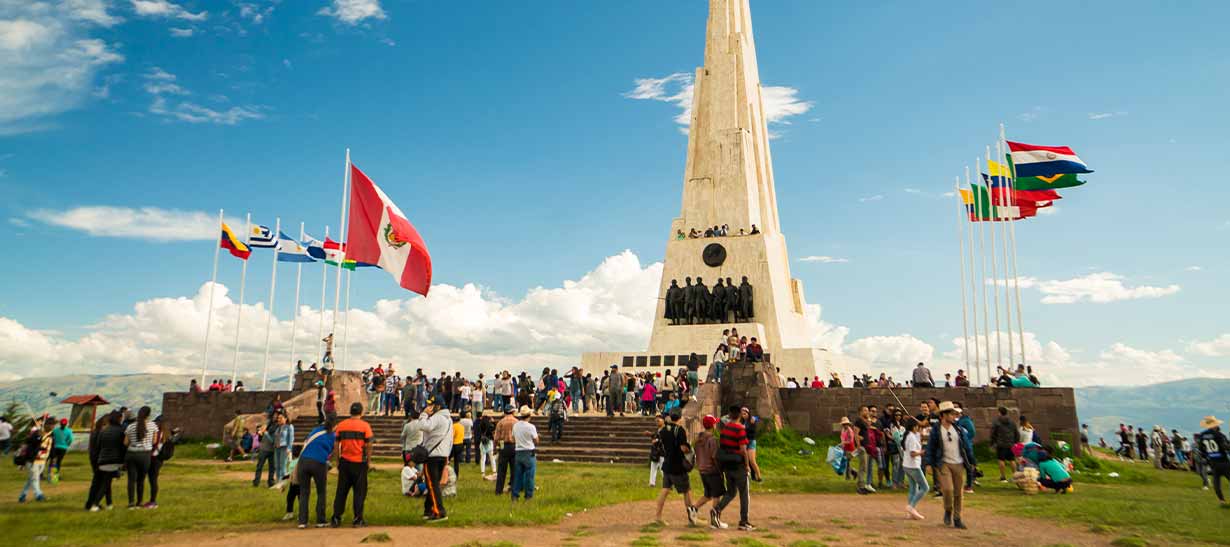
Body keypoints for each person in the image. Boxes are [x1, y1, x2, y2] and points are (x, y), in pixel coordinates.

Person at [924, 401, 975, 530]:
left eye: (954, 414)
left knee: (959, 493)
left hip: (958, 463)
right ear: (943, 415)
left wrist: (972, 461)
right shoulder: (936, 430)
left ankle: (957, 518)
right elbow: (931, 447)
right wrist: (929, 463)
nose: (954, 416)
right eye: (951, 414)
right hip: (944, 463)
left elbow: (967, 446)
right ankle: (948, 510)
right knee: (947, 489)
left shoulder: (958, 429)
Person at [710, 405, 753, 530]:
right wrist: (747, 465)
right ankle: (744, 521)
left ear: (729, 414)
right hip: (738, 464)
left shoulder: (725, 429)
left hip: (727, 465)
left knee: (731, 492)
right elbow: (743, 450)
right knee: (744, 494)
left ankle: (717, 509)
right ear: (739, 415)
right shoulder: (740, 429)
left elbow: (722, 447)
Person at [330, 402, 373, 528]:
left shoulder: (342, 425)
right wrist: (369, 461)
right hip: (359, 462)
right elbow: (369, 445)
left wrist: (337, 461)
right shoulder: (365, 426)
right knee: (359, 492)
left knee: (341, 491)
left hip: (344, 461)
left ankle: (336, 517)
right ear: (361, 412)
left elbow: (336, 445)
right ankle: (357, 518)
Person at [653, 409, 694, 525]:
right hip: (678, 465)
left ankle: (658, 517)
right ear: (680, 417)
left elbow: (658, 443)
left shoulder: (664, 429)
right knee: (687, 491)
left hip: (667, 464)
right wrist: (689, 448)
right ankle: (692, 518)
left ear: (670, 417)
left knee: (665, 490)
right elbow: (683, 448)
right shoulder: (679, 430)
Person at [297, 419, 335, 528]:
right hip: (319, 463)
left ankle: (302, 521)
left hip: (303, 461)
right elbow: (333, 451)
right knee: (321, 492)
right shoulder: (332, 435)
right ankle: (320, 520)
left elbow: (307, 441)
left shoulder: (314, 430)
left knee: (304, 492)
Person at [688, 415, 725, 528]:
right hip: (712, 470)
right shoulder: (713, 440)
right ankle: (715, 520)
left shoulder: (698, 439)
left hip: (702, 470)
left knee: (708, 494)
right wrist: (720, 471)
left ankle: (693, 508)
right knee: (716, 495)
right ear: (713, 425)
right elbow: (714, 457)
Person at [420, 397, 453, 522]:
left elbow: (424, 426)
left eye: (431, 405)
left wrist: (423, 414)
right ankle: (428, 509)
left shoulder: (437, 417)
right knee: (433, 484)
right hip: (443, 454)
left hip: (433, 455)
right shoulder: (448, 419)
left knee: (432, 485)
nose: (429, 407)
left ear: (437, 406)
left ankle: (439, 511)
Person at [86, 411, 124, 511]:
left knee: (103, 482)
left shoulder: (97, 432)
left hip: (98, 459)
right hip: (102, 460)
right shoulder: (103, 432)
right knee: (104, 483)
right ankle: (94, 504)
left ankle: (107, 503)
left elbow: (95, 448)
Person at [123, 406, 157, 509]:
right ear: (149, 415)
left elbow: (125, 442)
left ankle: (131, 503)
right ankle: (139, 502)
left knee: (131, 480)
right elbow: (154, 441)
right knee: (141, 480)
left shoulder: (130, 426)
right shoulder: (153, 426)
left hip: (132, 454)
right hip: (145, 455)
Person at [1196, 415, 1230, 505]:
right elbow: (1225, 447)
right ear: (1215, 424)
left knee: (1216, 482)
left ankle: (1221, 500)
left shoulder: (1202, 435)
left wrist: (1207, 457)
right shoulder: (1219, 435)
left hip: (1212, 462)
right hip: (1223, 461)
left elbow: (1201, 449)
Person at [18, 417, 53, 503]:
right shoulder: (36, 434)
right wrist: (38, 436)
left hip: (43, 460)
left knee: (31, 479)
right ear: (46, 425)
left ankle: (22, 496)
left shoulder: (51, 435)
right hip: (33, 461)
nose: (53, 426)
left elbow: (51, 447)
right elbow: (28, 442)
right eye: (51, 424)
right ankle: (39, 495)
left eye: (53, 425)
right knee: (35, 479)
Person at [901, 417, 928, 520]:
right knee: (925, 487)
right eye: (917, 426)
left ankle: (910, 512)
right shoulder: (911, 437)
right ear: (913, 427)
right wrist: (922, 452)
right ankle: (911, 507)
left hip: (907, 465)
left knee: (913, 488)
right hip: (913, 466)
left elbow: (918, 439)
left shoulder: (909, 435)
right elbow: (913, 453)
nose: (918, 428)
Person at [511, 405, 539, 501]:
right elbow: (536, 440)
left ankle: (515, 495)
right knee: (529, 476)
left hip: (518, 452)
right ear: (529, 415)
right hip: (529, 452)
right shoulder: (531, 427)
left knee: (518, 476)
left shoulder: (515, 425)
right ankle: (528, 496)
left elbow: (513, 438)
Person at [493, 406, 518, 494]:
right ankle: (514, 488)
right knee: (514, 469)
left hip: (503, 446)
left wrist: (494, 448)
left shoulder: (500, 422)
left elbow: (496, 438)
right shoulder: (516, 422)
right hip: (514, 446)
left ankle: (498, 490)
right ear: (512, 412)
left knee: (501, 470)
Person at [990, 407, 1017, 482]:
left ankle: (1003, 477)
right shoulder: (1012, 422)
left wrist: (992, 443)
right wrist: (1015, 442)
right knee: (1012, 460)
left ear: (999, 412)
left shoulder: (997, 422)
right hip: (1011, 443)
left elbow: (993, 434)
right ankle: (1015, 476)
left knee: (1001, 460)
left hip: (1001, 444)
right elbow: (1016, 432)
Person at [49, 418, 74, 483]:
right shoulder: (69, 431)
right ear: (66, 424)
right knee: (58, 462)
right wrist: (67, 444)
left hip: (55, 447)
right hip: (63, 448)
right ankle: (55, 477)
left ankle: (52, 476)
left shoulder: (55, 430)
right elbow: (71, 439)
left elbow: (51, 437)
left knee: (53, 461)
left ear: (60, 424)